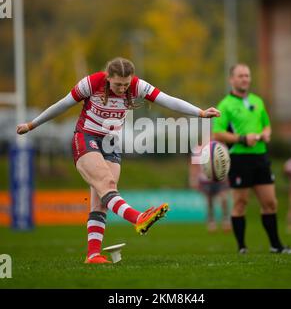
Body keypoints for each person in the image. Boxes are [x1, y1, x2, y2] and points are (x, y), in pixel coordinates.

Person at [16, 57, 220, 264]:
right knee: (107, 184)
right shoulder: (92, 83)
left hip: (111, 143)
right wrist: (32, 125)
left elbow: (167, 100)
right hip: (85, 138)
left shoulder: (136, 85)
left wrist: (200, 112)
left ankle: (93, 255)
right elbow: (62, 105)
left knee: (102, 199)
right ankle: (138, 218)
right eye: (117, 84)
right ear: (108, 78)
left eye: (125, 84)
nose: (122, 89)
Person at [213, 63, 291, 254]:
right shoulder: (225, 105)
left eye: (247, 76)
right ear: (231, 79)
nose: (245, 79)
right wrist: (242, 138)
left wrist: (266, 134)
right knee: (240, 204)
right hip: (239, 159)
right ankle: (242, 247)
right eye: (240, 76)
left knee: (270, 203)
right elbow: (218, 134)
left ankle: (276, 245)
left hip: (260, 157)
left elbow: (267, 125)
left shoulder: (258, 101)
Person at [189, 144, 231, 232]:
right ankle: (211, 220)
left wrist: (228, 177)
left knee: (223, 198)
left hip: (220, 179)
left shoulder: (222, 147)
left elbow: (227, 163)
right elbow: (194, 165)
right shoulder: (198, 149)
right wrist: (193, 178)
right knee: (209, 201)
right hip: (206, 180)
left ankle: (226, 219)